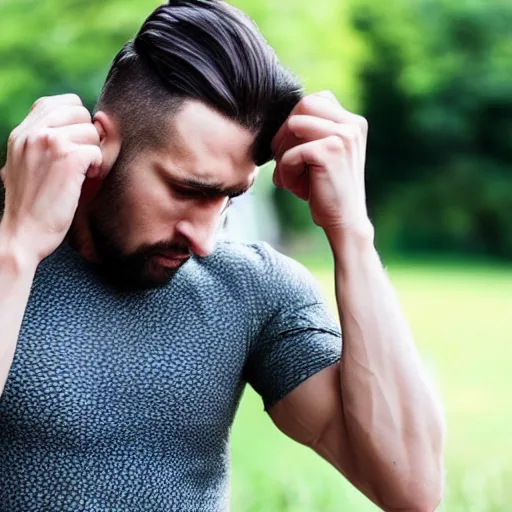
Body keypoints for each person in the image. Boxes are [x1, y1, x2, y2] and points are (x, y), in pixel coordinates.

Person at [0, 1, 445, 510]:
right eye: (188, 190)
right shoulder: (10, 254)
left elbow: (411, 488)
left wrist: (352, 234)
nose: (205, 239)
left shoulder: (254, 291)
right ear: (99, 144)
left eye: (229, 197)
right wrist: (18, 246)